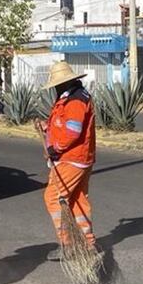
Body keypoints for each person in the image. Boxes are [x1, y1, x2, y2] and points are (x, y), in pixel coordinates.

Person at [33, 61, 97, 262]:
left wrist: (54, 148)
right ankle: (88, 244)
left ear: (64, 83)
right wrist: (47, 127)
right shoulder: (71, 97)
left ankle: (67, 245)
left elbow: (72, 132)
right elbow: (65, 125)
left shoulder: (75, 101)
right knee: (77, 200)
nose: (55, 88)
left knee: (53, 197)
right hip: (79, 157)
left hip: (72, 158)